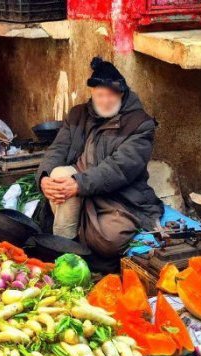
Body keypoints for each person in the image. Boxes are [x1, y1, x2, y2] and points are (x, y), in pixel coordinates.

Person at [36, 57, 164, 261]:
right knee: (58, 174)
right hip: (75, 189)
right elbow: (57, 149)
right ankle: (65, 248)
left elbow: (119, 168)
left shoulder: (140, 124)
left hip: (119, 195)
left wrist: (79, 185)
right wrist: (43, 178)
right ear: (92, 94)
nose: (105, 101)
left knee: (109, 240)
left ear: (122, 94)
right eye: (100, 95)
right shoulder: (78, 114)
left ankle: (75, 239)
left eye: (112, 95)